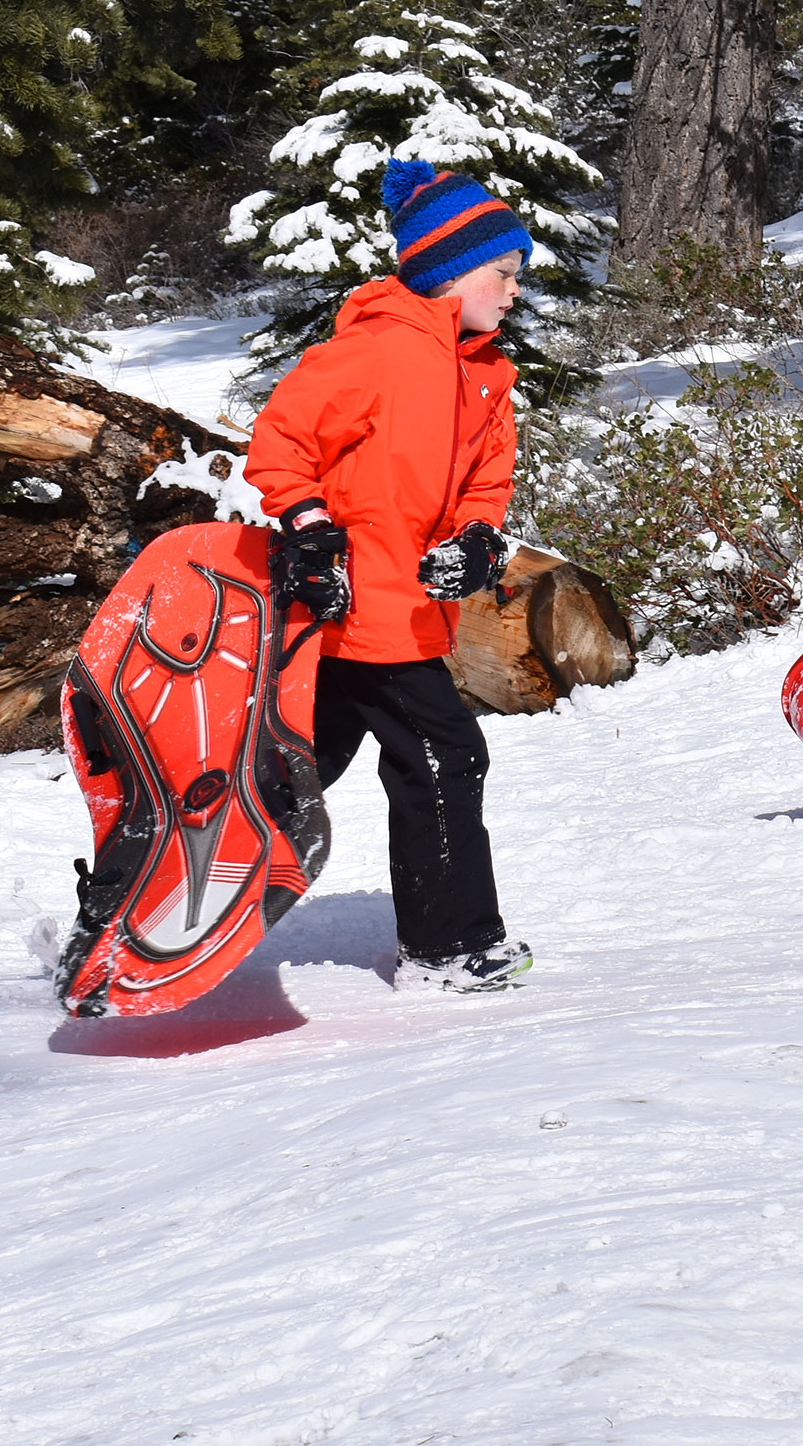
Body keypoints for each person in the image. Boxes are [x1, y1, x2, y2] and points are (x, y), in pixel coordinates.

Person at [245, 162, 534, 990]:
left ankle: (168, 896)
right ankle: (451, 950)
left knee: (298, 765)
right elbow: (281, 442)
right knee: (445, 756)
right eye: (502, 274)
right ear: (450, 274)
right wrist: (307, 526)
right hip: (359, 604)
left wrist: (477, 542)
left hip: (408, 611)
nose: (514, 291)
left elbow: (486, 484)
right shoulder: (377, 351)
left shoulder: (484, 376)